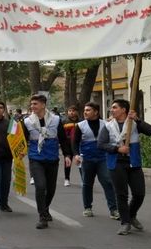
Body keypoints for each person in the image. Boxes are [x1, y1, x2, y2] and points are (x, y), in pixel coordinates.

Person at [97, 99, 151, 235]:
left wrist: (138, 119)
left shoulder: (134, 124)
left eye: (115, 107)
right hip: (116, 163)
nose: (112, 110)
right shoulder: (108, 126)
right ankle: (125, 222)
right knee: (121, 194)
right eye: (112, 108)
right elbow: (100, 144)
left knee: (139, 193)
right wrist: (117, 149)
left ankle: (131, 214)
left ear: (124, 109)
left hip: (133, 163)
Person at [22, 94, 72, 229]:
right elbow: (22, 139)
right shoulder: (27, 121)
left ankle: (45, 208)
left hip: (52, 158)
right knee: (40, 186)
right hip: (36, 158)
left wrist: (67, 155)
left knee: (51, 189)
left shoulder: (56, 120)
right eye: (31, 104)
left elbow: (63, 139)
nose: (32, 106)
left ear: (43, 105)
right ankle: (42, 216)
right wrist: (21, 151)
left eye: (35, 104)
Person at [72, 102, 119, 220]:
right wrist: (76, 155)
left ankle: (113, 209)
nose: (85, 112)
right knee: (87, 184)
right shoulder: (80, 125)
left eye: (88, 110)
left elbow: (113, 138)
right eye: (85, 110)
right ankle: (87, 208)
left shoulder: (106, 124)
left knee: (108, 182)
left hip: (103, 158)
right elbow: (75, 142)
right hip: (86, 158)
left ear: (96, 112)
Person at [62, 106, 80, 187]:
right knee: (67, 162)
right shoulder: (64, 121)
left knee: (80, 162)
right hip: (68, 145)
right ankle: (66, 179)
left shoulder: (81, 121)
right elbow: (61, 134)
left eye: (73, 111)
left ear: (77, 112)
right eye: (69, 111)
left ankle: (83, 179)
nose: (71, 112)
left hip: (78, 145)